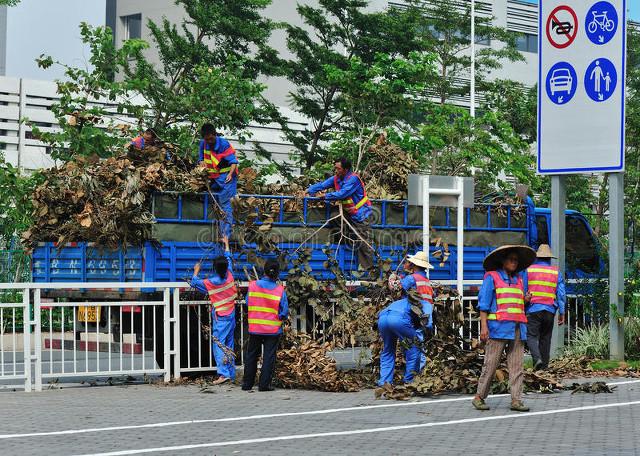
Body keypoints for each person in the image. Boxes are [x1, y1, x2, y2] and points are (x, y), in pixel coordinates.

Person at [472, 244, 536, 413]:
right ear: (503, 261)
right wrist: (483, 327)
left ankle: (516, 400)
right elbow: (483, 305)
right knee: (490, 365)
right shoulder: (491, 277)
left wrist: (526, 300)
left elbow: (517, 304)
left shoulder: (519, 280)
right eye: (511, 259)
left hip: (517, 329)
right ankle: (479, 397)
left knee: (517, 367)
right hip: (497, 328)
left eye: (516, 260)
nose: (514, 262)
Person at [306, 157, 374, 271]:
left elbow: (342, 194)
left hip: (362, 213)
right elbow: (322, 185)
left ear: (346, 169)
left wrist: (324, 196)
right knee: (334, 216)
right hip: (349, 213)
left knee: (362, 241)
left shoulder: (353, 179)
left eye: (338, 168)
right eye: (335, 168)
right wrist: (309, 190)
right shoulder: (336, 178)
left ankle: (369, 269)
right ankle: (346, 240)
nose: (335, 171)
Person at [190, 238, 237, 385]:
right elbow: (229, 259)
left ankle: (223, 374)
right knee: (229, 344)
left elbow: (194, 282)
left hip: (221, 317)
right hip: (231, 314)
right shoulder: (230, 275)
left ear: (215, 269)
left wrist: (196, 271)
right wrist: (226, 243)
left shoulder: (212, 282)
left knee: (218, 345)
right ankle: (231, 372)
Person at [242, 259, 289, 392]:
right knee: (269, 357)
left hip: (255, 328)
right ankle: (264, 385)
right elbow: (284, 311)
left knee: (251, 355)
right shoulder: (280, 290)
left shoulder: (252, 285)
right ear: (277, 274)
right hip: (272, 330)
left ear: (264, 271)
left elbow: (247, 303)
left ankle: (247, 384)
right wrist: (279, 318)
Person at [377, 282, 433, 386]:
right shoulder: (426, 304)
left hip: (383, 319)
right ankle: (409, 381)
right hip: (399, 320)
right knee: (414, 349)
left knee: (388, 350)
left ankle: (384, 382)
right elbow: (428, 324)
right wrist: (429, 336)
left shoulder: (401, 301)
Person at [523, 244, 566, 371]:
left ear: (537, 257)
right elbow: (561, 294)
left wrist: (524, 305)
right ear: (549, 258)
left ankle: (537, 359)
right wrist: (562, 313)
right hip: (549, 310)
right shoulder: (555, 272)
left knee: (531, 336)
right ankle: (544, 367)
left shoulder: (529, 270)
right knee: (545, 338)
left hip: (533, 309)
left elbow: (524, 290)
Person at [199, 123, 239, 245]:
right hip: (213, 178)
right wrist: (201, 165)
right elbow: (201, 158)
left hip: (227, 178)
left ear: (215, 134)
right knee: (211, 200)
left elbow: (234, 161)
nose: (209, 141)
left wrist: (230, 174)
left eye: (211, 138)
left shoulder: (223, 144)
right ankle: (219, 231)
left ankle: (226, 235)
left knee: (225, 203)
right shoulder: (203, 144)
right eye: (207, 139)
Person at [400, 250, 435, 371]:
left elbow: (397, 288)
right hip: (426, 317)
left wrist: (393, 279)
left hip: (414, 315)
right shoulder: (427, 281)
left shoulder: (412, 278)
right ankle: (420, 371)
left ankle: (415, 372)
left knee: (411, 344)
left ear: (414, 265)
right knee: (421, 344)